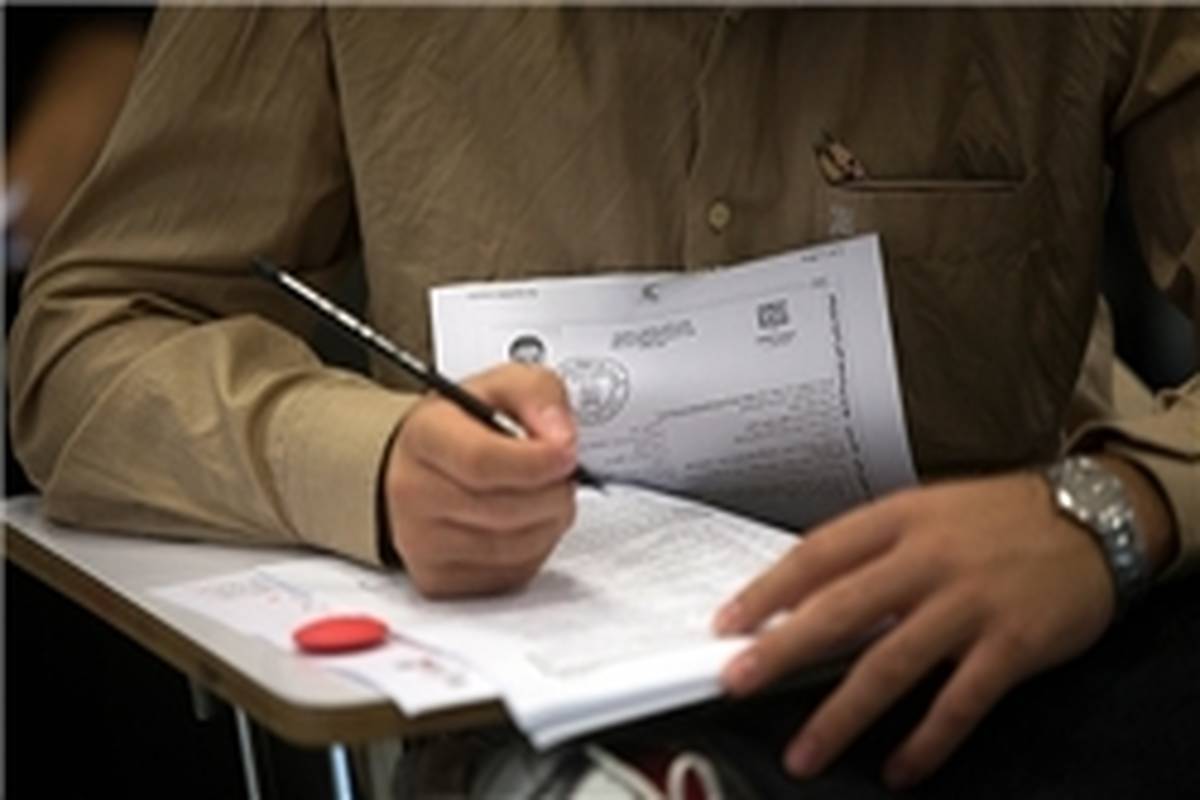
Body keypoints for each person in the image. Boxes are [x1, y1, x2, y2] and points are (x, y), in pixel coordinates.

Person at [8, 8, 1198, 794]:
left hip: (1008, 685)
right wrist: (369, 461)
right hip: (535, 715)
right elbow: (85, 336)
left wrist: (1116, 506)